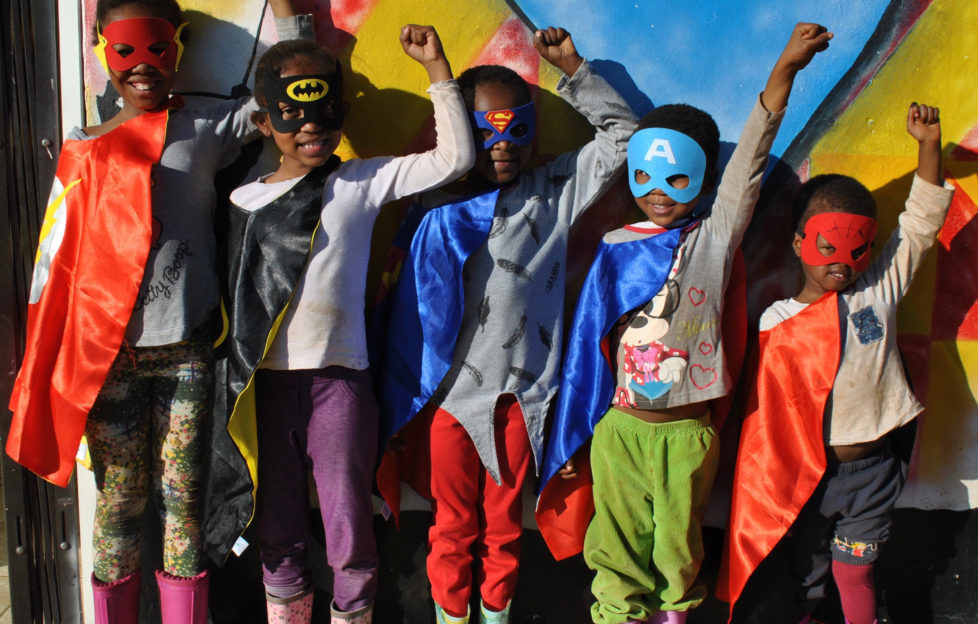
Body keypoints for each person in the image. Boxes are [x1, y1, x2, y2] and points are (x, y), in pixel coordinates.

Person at [4, 0, 308, 621]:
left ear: (179, 48)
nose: (143, 66)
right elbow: (55, 265)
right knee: (118, 505)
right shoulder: (84, 146)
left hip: (187, 357)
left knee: (183, 507)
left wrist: (296, 27)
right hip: (107, 359)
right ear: (101, 54)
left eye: (157, 49)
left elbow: (288, 103)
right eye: (125, 51)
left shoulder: (204, 126)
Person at [536, 22, 833, 624]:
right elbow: (587, 349)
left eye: (676, 177)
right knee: (615, 553)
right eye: (647, 176)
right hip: (619, 432)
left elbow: (751, 155)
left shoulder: (714, 237)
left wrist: (787, 68)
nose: (660, 192)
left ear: (700, 178)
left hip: (687, 436)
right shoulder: (617, 246)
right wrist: (572, 435)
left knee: (678, 552)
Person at [375, 26, 638, 624]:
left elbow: (623, 139)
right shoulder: (436, 204)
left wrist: (572, 68)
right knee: (452, 525)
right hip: (448, 403)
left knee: (503, 528)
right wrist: (438, 69)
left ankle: (496, 615)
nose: (504, 145)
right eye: (486, 131)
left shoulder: (553, 191)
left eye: (517, 128)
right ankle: (449, 615)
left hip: (523, 400)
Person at [216, 27, 474, 624]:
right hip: (264, 391)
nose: (310, 126)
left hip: (341, 384)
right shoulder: (241, 204)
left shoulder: (356, 184)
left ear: (342, 113)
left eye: (323, 112)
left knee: (348, 527)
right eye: (291, 114)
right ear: (262, 124)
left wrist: (437, 69)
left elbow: (454, 159)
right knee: (276, 526)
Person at [719, 102, 953, 624]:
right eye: (828, 247)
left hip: (873, 472)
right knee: (808, 577)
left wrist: (929, 146)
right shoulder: (775, 321)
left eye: (856, 250)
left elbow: (918, 225)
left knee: (854, 573)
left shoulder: (878, 292)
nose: (840, 263)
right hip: (808, 478)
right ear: (801, 243)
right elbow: (767, 415)